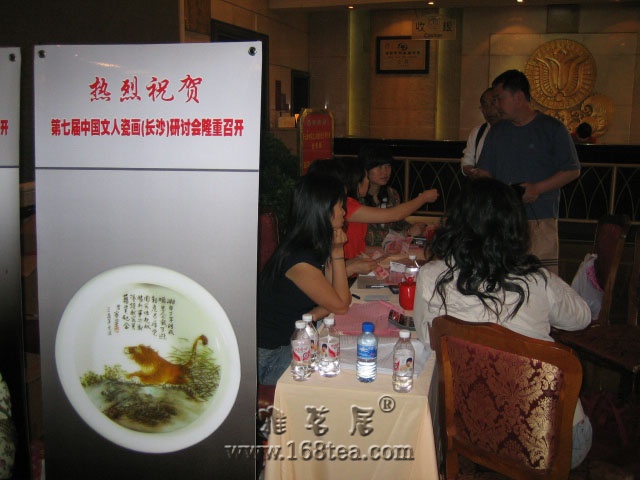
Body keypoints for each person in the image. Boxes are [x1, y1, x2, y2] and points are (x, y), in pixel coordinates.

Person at [414, 177, 592, 469]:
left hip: (470, 430)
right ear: (514, 228)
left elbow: (426, 338)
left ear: (456, 222)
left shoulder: (432, 276)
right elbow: (581, 318)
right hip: (555, 442)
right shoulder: (537, 280)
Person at [477, 69, 581, 274]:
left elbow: (572, 170)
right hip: (503, 220)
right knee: (503, 277)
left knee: (541, 280)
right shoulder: (497, 131)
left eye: (499, 99)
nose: (495, 105)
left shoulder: (552, 129)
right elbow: (484, 172)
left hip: (540, 220)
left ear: (518, 97)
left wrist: (537, 188)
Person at [257, 173, 352, 385]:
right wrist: (338, 252)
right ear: (324, 211)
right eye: (340, 206)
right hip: (270, 360)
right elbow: (341, 304)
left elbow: (334, 297)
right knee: (340, 366)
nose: (344, 212)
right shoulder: (299, 259)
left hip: (292, 343)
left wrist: (314, 313)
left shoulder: (309, 244)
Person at [315, 157, 439, 259]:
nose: (368, 181)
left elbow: (359, 247)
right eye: (366, 178)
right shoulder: (348, 205)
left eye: (388, 166)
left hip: (356, 266)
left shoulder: (389, 194)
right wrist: (423, 198)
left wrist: (386, 250)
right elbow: (394, 215)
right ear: (356, 182)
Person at [359, 144, 428, 246]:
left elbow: (397, 223)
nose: (385, 172)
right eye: (379, 167)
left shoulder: (392, 194)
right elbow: (370, 238)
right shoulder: (357, 198)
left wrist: (412, 227)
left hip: (387, 251)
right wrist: (407, 233)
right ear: (365, 170)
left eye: (388, 166)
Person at [460, 87, 500, 179]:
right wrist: (474, 172)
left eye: (493, 104)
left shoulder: (512, 131)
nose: (489, 110)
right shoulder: (477, 132)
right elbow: (467, 162)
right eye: (485, 105)